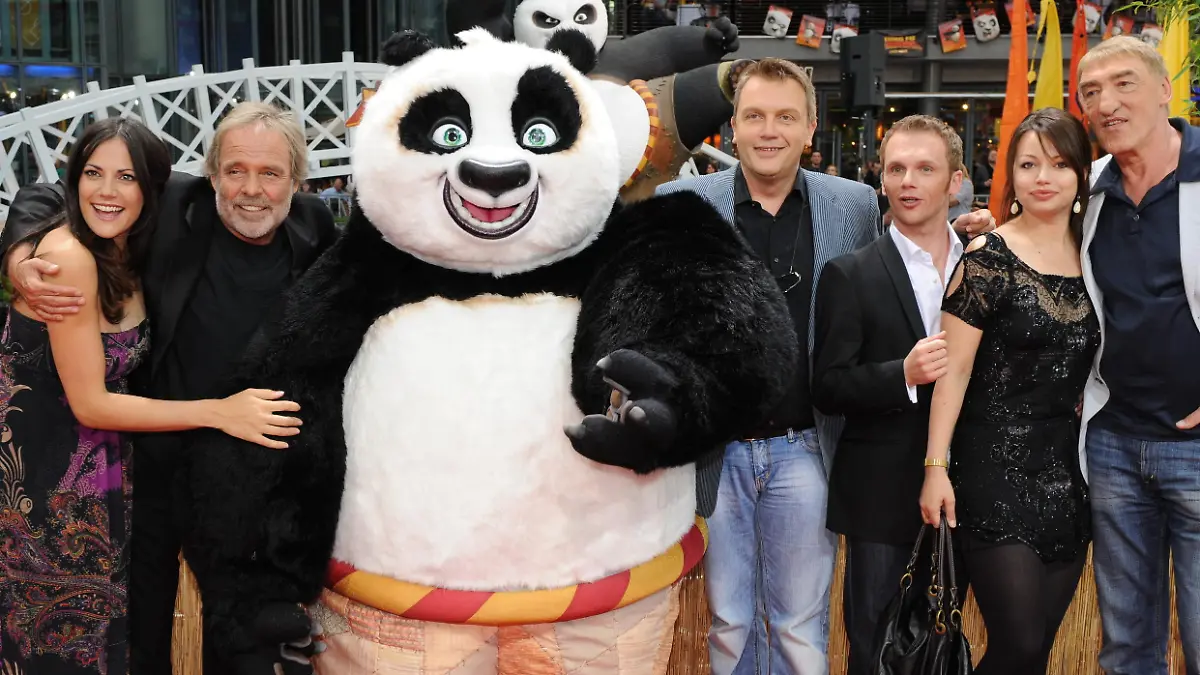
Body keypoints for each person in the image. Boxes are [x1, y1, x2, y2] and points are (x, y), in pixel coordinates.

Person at [3, 102, 339, 675]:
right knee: (136, 639)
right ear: (210, 174)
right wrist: (17, 258)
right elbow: (50, 197)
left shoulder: (315, 228)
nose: (251, 190)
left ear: (297, 181)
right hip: (145, 470)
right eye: (235, 170)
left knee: (243, 647)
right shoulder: (174, 206)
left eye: (270, 173)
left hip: (248, 482)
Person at [920, 107, 1098, 674]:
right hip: (990, 470)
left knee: (1034, 653)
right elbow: (954, 370)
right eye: (1028, 164)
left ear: (1080, 175)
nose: (1043, 177)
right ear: (1011, 177)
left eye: (1059, 164)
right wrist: (935, 467)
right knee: (1017, 644)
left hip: (1068, 474)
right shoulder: (986, 260)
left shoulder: (1094, 257)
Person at [813, 114, 969, 675]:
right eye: (897, 168)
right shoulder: (849, 274)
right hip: (881, 495)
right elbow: (827, 386)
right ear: (881, 179)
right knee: (875, 645)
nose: (908, 181)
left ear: (954, 182)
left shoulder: (984, 260)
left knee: (947, 645)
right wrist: (900, 373)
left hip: (970, 488)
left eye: (925, 169)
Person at [1075, 35, 1200, 674]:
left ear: (1164, 91)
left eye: (1123, 84)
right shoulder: (1093, 187)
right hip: (1114, 444)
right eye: (1091, 92)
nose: (1106, 103)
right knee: (1126, 648)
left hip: (1195, 449)